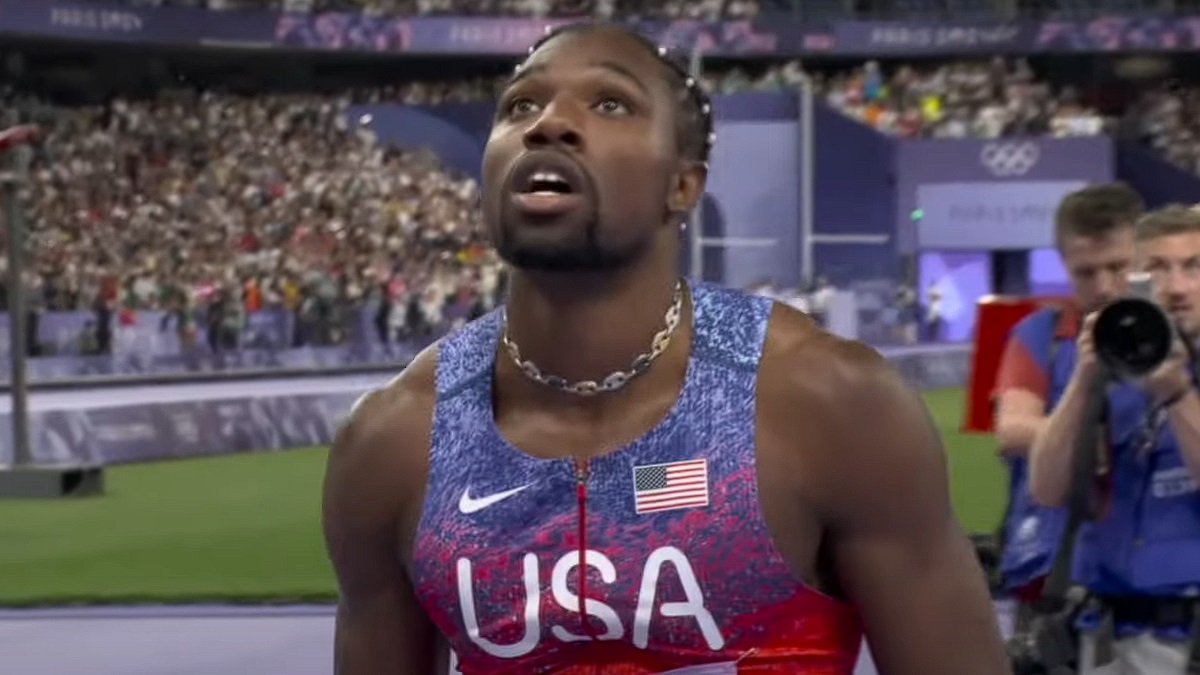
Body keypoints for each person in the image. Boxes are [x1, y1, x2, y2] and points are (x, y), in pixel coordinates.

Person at [323, 21, 1008, 675]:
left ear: (682, 185)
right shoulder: (394, 440)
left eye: (610, 102)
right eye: (520, 105)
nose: (548, 123)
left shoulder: (826, 402)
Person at [1029, 204, 1200, 673]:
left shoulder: (1175, 383)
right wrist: (1085, 380)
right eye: (1157, 269)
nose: (1177, 287)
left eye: (1193, 267)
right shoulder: (1108, 364)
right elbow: (1047, 489)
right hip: (1103, 631)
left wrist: (1179, 395)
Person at [993, 184, 1143, 629]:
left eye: (1118, 267)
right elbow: (1012, 429)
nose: (1104, 287)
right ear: (1064, 266)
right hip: (1052, 575)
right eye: (1086, 272)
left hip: (1150, 574)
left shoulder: (1174, 335)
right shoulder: (1038, 333)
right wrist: (1088, 439)